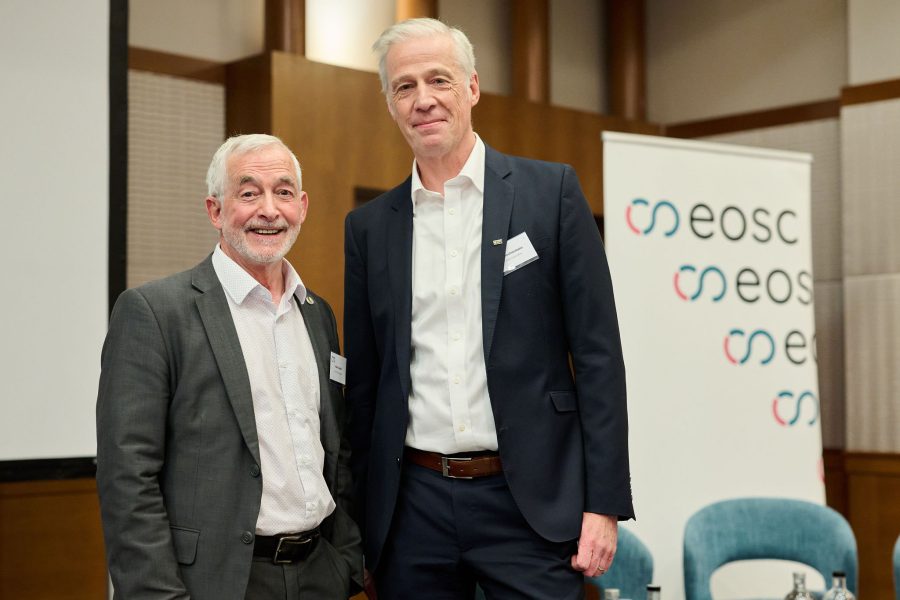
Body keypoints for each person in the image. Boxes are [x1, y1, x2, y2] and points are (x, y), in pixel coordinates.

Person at [343, 17, 634, 600]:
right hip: (412, 508)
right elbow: (365, 388)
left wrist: (603, 504)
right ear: (391, 105)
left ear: (472, 87)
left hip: (530, 503)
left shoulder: (551, 194)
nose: (423, 99)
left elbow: (598, 358)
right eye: (404, 87)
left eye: (439, 80)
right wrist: (360, 528)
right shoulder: (369, 228)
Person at [97, 134, 362, 600]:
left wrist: (346, 560)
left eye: (283, 192)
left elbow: (335, 450)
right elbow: (128, 476)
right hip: (216, 583)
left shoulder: (317, 314)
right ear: (215, 211)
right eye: (249, 192)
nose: (269, 210)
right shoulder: (155, 313)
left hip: (321, 574)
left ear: (302, 207)